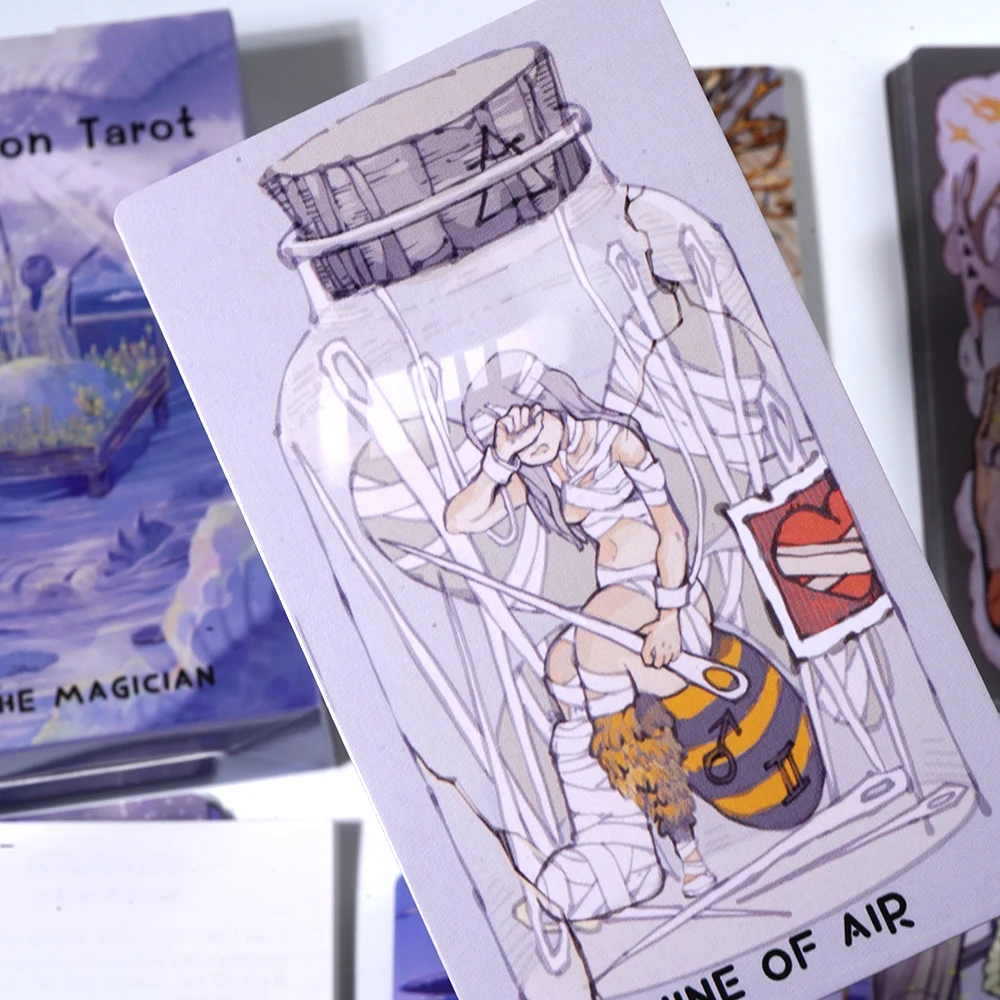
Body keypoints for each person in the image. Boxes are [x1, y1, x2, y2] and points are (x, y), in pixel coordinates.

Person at [444, 350, 719, 922]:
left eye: (533, 424)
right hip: (614, 613)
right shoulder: (538, 474)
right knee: (560, 664)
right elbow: (458, 520)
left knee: (591, 645)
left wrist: (670, 615)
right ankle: (617, 841)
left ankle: (680, 847)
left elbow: (671, 530)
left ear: (551, 399)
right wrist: (500, 460)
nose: (532, 446)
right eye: (517, 443)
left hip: (668, 603)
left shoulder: (618, 442)